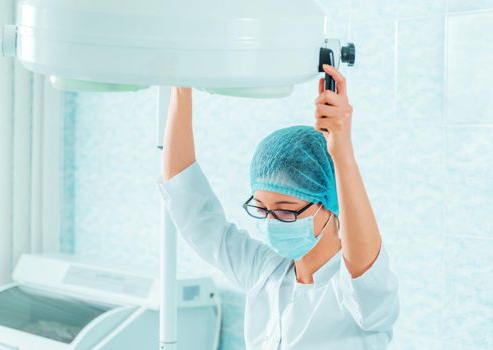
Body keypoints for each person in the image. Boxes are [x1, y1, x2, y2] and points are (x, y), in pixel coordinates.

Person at [156, 64, 399, 349]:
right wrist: (181, 90)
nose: (272, 222)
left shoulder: (359, 296)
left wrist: (342, 152)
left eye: (286, 211)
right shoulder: (265, 272)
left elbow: (364, 269)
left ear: (328, 203)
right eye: (261, 209)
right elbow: (192, 207)